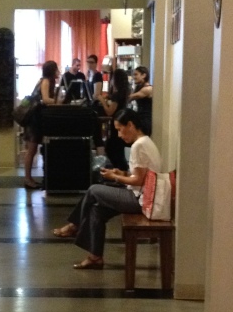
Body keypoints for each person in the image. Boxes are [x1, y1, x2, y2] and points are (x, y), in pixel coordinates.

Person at [52, 108, 162, 269]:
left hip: (140, 199)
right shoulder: (146, 142)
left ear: (130, 125)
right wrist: (121, 173)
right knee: (96, 210)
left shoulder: (138, 146)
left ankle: (74, 225)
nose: (119, 135)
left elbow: (138, 180)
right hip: (143, 196)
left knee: (94, 190)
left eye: (120, 129)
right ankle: (95, 257)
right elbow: (141, 175)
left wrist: (114, 177)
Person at [23, 60, 62, 189]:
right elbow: (45, 99)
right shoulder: (46, 81)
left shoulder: (43, 81)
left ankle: (28, 178)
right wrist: (58, 102)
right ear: (52, 70)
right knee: (31, 150)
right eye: (56, 69)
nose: (58, 71)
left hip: (35, 119)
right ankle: (27, 179)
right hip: (34, 120)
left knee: (32, 150)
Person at [98, 67, 131, 170]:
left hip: (117, 124)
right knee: (117, 149)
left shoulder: (117, 95)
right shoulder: (123, 93)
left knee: (112, 149)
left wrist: (102, 101)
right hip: (121, 122)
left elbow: (110, 112)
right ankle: (121, 170)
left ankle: (122, 170)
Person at [131, 66, 153, 136]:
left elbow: (131, 97)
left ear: (144, 75)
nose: (134, 77)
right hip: (141, 118)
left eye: (136, 74)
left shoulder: (148, 89)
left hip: (146, 120)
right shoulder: (138, 87)